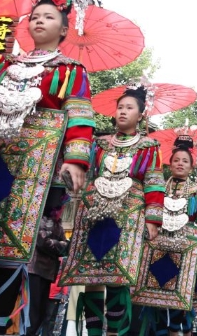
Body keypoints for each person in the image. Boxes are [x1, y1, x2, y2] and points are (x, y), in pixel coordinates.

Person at [0, 0, 94, 336]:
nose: (39, 20)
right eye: (35, 15)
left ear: (64, 28)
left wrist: (77, 160)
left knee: (10, 255)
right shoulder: (6, 63)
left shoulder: (68, 71)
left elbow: (80, 115)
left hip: (32, 175)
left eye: (49, 17)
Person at [59, 84, 164, 336]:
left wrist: (153, 219)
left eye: (129, 108)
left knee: (117, 275)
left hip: (128, 213)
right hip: (94, 212)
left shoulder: (149, 147)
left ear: (141, 115)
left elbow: (154, 182)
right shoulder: (99, 143)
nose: (123, 112)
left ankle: (114, 332)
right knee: (91, 275)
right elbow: (86, 173)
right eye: (120, 107)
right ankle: (94, 333)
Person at [136, 135, 197, 336]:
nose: (180, 164)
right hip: (158, 245)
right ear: (170, 164)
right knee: (158, 289)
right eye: (176, 160)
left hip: (185, 247)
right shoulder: (159, 186)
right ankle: (162, 330)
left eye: (185, 161)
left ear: (191, 167)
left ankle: (177, 330)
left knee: (181, 291)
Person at [26, 189, 69, 336]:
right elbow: (42, 242)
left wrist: (59, 244)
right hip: (36, 270)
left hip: (48, 272)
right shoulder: (41, 219)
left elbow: (66, 245)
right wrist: (60, 245)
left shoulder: (57, 224)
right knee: (33, 312)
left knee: (42, 313)